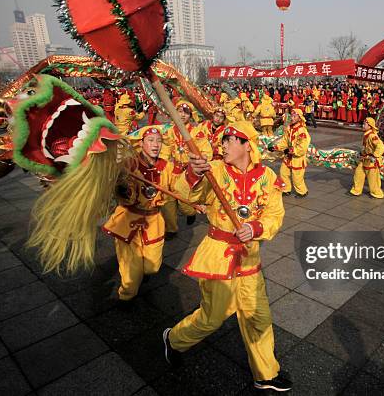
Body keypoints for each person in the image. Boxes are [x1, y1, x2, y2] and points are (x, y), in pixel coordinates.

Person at [162, 120, 292, 392]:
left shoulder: (268, 177)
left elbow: (274, 215)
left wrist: (256, 228)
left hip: (249, 257)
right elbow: (186, 195)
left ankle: (265, 374)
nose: (223, 145)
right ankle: (173, 339)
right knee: (212, 317)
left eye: (230, 140)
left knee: (258, 317)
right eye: (222, 141)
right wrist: (193, 174)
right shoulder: (216, 170)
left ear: (247, 145)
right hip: (218, 256)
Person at [102, 126, 174, 302]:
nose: (155, 145)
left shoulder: (167, 166)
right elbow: (121, 194)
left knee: (153, 267)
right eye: (150, 140)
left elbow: (179, 188)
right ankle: (126, 296)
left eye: (158, 141)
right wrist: (121, 183)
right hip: (128, 220)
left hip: (154, 221)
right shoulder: (129, 165)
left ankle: (142, 274)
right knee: (131, 272)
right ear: (141, 143)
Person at [160, 100, 212, 237]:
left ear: (191, 115)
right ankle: (171, 229)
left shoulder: (196, 132)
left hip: (188, 172)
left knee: (186, 203)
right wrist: (163, 163)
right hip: (173, 169)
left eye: (186, 112)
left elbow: (205, 150)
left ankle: (191, 212)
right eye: (179, 111)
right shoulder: (170, 131)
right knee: (168, 199)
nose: (182, 115)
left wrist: (200, 160)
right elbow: (165, 149)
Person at [268, 108, 311, 198]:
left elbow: (303, 146)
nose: (292, 118)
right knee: (283, 172)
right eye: (292, 116)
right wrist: (276, 147)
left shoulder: (302, 131)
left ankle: (302, 192)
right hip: (288, 157)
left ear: (299, 118)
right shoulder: (289, 128)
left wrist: (293, 150)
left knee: (297, 177)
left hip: (297, 158)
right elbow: (284, 141)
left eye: (294, 116)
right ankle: (286, 190)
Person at [349, 117, 384, 199]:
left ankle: (377, 193)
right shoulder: (366, 135)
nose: (363, 125)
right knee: (358, 174)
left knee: (373, 179)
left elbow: (381, 147)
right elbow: (366, 147)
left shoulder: (372, 136)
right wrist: (361, 153)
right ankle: (356, 190)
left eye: (364, 124)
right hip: (364, 158)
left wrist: (374, 155)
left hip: (371, 160)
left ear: (370, 126)